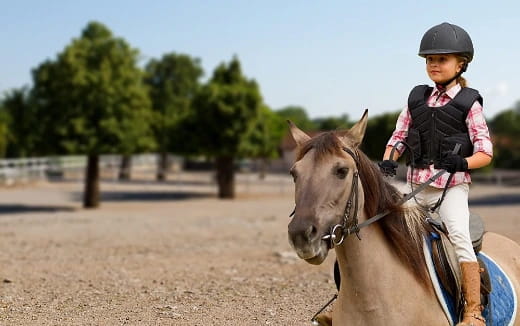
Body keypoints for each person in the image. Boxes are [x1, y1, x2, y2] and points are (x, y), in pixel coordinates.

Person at [379, 22, 493, 326]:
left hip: (450, 190)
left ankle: (473, 311)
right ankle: (350, 300)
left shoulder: (470, 103)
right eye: (430, 59)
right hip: (416, 187)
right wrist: (390, 159)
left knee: (459, 237)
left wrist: (464, 163)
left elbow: (485, 150)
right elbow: (399, 137)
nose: (434, 65)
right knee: (380, 229)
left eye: (442, 59)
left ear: (460, 63)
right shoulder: (417, 99)